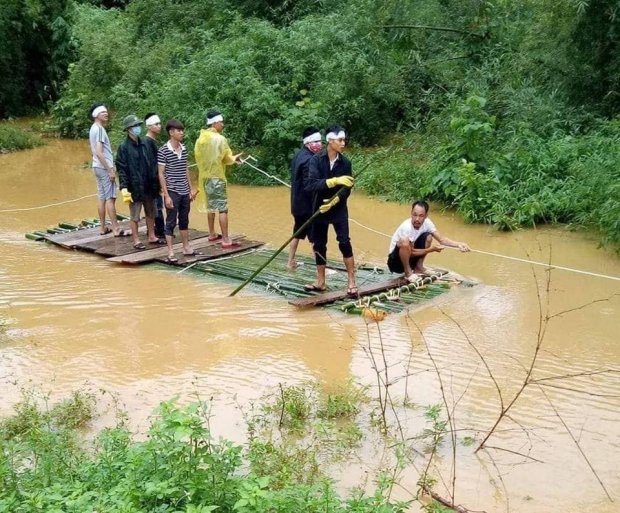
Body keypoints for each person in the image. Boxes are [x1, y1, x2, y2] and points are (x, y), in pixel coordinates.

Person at [304, 125, 357, 295]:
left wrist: (335, 201)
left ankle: (351, 281)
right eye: (340, 140)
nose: (343, 143)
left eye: (343, 139)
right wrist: (334, 181)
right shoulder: (316, 160)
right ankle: (321, 281)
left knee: (344, 242)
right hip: (319, 207)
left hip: (338, 209)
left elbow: (347, 188)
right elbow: (311, 184)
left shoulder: (345, 162)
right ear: (330, 141)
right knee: (319, 243)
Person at [194, 110, 242, 249]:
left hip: (205, 177)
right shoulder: (220, 139)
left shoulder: (200, 139)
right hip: (217, 177)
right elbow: (226, 158)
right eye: (221, 122)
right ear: (214, 123)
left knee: (211, 207)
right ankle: (226, 239)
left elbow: (199, 158)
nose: (223, 124)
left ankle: (212, 234)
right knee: (222, 209)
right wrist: (235, 158)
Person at [388, 200, 471, 281]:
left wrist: (459, 244)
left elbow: (442, 240)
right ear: (411, 213)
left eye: (421, 216)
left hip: (410, 259)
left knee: (428, 236)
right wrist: (431, 249)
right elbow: (411, 252)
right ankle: (408, 273)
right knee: (404, 241)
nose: (417, 219)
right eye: (415, 215)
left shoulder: (427, 223)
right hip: (396, 263)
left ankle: (418, 268)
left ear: (426, 216)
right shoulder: (406, 227)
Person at [116, 114, 161, 249]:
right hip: (134, 187)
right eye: (135, 126)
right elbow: (121, 168)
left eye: (138, 126)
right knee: (135, 215)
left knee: (151, 212)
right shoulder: (124, 147)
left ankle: (152, 236)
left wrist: (157, 182)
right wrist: (124, 187)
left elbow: (152, 163)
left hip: (149, 184)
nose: (137, 128)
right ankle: (136, 240)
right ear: (128, 129)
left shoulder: (144, 144)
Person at [157, 119, 198, 262]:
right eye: (179, 130)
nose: (182, 133)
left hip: (184, 191)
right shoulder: (163, 151)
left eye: (182, 130)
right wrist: (166, 195)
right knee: (170, 221)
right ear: (171, 132)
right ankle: (170, 251)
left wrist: (190, 189)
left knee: (184, 219)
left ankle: (186, 247)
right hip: (172, 191)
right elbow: (161, 174)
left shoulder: (184, 148)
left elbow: (185, 169)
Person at [286, 126, 322, 270]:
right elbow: (310, 185)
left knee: (297, 233)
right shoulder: (310, 160)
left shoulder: (298, 155)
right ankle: (321, 267)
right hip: (308, 206)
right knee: (316, 237)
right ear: (308, 143)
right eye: (316, 141)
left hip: (297, 204)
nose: (319, 144)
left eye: (320, 141)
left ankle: (290, 262)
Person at [88, 103, 125, 236]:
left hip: (96, 166)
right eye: (103, 112)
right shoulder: (99, 129)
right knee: (110, 198)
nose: (106, 114)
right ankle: (116, 228)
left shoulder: (93, 128)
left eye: (106, 112)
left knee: (102, 197)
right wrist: (109, 169)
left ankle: (102, 227)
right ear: (97, 115)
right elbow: (99, 151)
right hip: (103, 167)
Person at [143, 112, 165, 239]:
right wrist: (157, 181)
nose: (159, 126)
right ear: (149, 126)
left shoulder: (151, 141)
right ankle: (160, 232)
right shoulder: (147, 142)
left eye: (159, 123)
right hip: (151, 182)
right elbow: (151, 165)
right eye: (156, 124)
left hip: (154, 181)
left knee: (156, 207)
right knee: (156, 207)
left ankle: (157, 230)